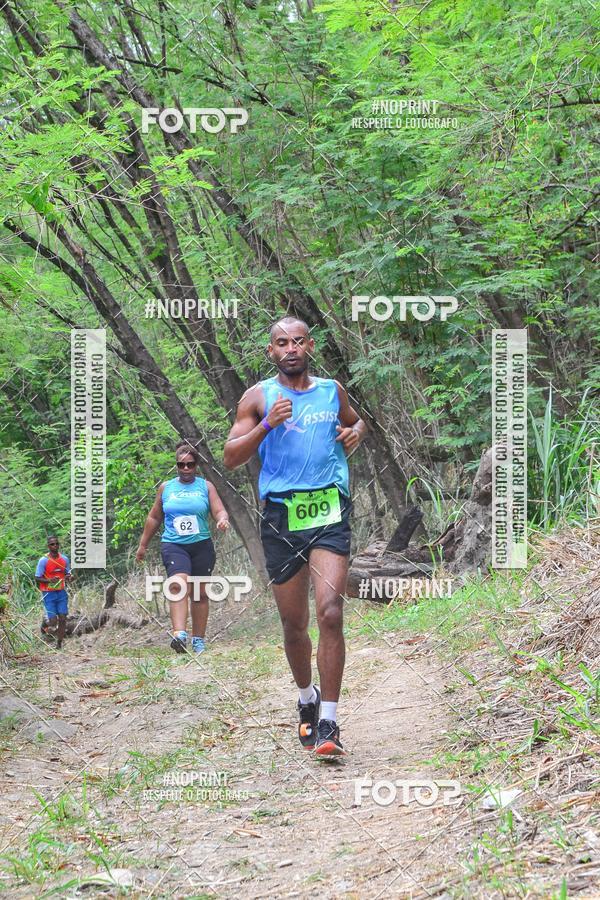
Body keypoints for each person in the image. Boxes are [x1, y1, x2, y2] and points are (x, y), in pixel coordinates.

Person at [223, 317, 366, 757]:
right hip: (282, 515)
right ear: (271, 352)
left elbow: (358, 423)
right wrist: (266, 425)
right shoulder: (258, 397)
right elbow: (230, 457)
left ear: (310, 346)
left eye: (298, 341)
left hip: (328, 508)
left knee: (330, 612)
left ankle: (330, 723)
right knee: (294, 623)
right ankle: (307, 699)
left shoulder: (331, 390)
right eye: (281, 343)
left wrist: (355, 433)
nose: (290, 349)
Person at [136, 440, 230, 654]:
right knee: (179, 584)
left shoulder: (205, 486)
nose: (185, 468)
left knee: (199, 594)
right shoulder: (166, 488)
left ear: (196, 465)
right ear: (176, 466)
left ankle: (198, 639)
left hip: (201, 545)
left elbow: (219, 510)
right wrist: (143, 545)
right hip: (174, 544)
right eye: (181, 464)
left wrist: (222, 519)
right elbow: (154, 517)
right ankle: (179, 634)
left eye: (190, 464)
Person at [35, 536, 72, 650]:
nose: (55, 546)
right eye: (52, 544)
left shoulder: (64, 559)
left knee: (62, 617)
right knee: (53, 621)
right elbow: (37, 577)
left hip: (61, 592)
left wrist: (70, 577)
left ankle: (59, 644)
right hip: (48, 593)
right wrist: (49, 580)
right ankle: (45, 625)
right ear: (48, 546)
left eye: (56, 543)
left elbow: (68, 574)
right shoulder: (44, 560)